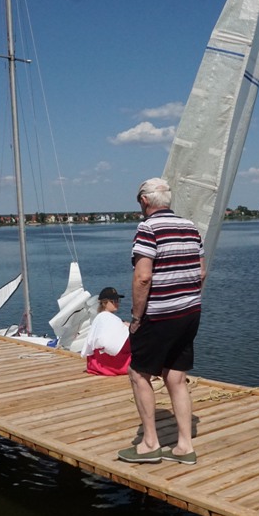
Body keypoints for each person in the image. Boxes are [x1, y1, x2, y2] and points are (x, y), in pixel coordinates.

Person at [118, 178, 205, 466]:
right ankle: (184, 446)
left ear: (144, 201)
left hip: (160, 315)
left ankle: (149, 444)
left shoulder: (148, 228)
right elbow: (201, 272)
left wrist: (136, 317)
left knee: (138, 373)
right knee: (176, 377)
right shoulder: (190, 227)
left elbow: (143, 277)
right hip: (190, 312)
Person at [80, 287, 131, 376]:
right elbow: (111, 345)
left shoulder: (100, 318)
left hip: (99, 363)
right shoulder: (109, 319)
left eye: (118, 300)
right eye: (113, 301)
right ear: (104, 303)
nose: (117, 303)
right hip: (113, 363)